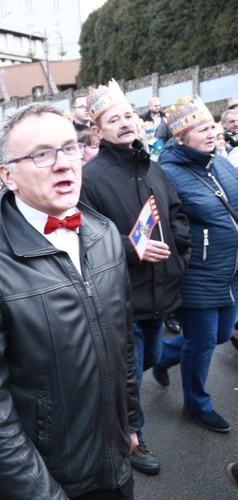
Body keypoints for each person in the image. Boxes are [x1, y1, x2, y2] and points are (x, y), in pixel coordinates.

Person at [0, 101, 139, 498]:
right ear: (7, 176)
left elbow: (122, 342)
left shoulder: (103, 234)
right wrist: (42, 493)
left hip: (115, 464)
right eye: (41, 155)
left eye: (70, 147)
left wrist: (130, 421)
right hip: (43, 479)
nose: (65, 163)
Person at [80, 80, 191, 475]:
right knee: (130, 376)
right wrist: (132, 250)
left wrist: (180, 247)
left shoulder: (154, 167)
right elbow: (84, 240)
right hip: (123, 296)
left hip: (162, 293)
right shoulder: (89, 178)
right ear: (98, 130)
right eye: (114, 119)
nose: (125, 123)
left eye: (128, 115)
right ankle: (132, 436)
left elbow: (176, 213)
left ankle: (108, 402)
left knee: (151, 359)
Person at [152, 96, 238, 434]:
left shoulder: (219, 162)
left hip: (230, 271)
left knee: (219, 335)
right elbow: (164, 227)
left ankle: (163, 357)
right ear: (182, 137)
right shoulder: (168, 173)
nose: (211, 133)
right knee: (202, 342)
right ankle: (196, 404)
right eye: (201, 129)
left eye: (211, 126)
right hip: (197, 275)